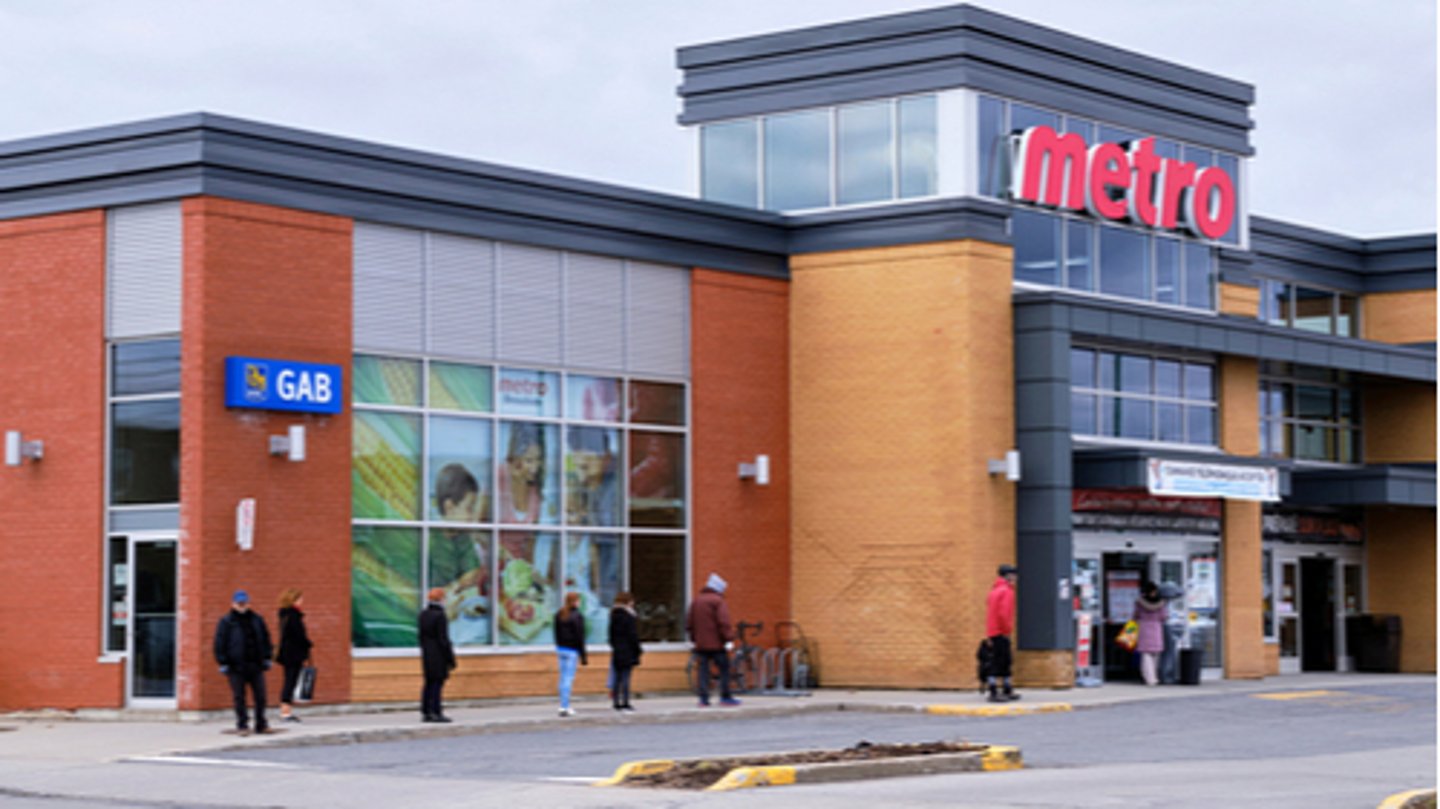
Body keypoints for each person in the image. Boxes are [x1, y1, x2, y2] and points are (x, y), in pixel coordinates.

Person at [213, 590, 275, 735]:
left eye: (244, 602)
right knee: (239, 697)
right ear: (233, 604)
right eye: (239, 603)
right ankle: (242, 724)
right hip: (236, 666)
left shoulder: (257, 619)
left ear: (248, 603)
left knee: (261, 696)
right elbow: (219, 643)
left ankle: (261, 723)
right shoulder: (226, 621)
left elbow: (266, 639)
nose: (242, 605)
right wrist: (223, 662)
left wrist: (267, 657)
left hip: (256, 664)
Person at [686, 572, 739, 707]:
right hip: (717, 644)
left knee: (703, 671)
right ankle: (725, 696)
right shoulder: (718, 602)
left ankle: (703, 698)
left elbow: (689, 623)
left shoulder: (696, 601)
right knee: (724, 669)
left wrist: (694, 639)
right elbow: (723, 623)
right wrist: (729, 639)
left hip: (701, 644)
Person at [274, 588, 313, 723]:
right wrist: (308, 644)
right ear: (293, 600)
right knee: (290, 681)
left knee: (289, 680)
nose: (302, 602)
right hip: (293, 654)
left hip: (287, 654)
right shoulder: (293, 616)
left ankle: (286, 709)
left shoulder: (284, 615)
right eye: (300, 599)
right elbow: (298, 636)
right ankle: (285, 712)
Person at [419, 587, 457, 723]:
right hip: (439, 655)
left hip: (427, 654)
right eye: (444, 598)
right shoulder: (440, 616)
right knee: (437, 684)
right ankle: (436, 711)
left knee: (428, 683)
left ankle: (426, 711)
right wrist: (450, 658)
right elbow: (443, 639)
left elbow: (421, 636)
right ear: (440, 599)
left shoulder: (423, 614)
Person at [984, 564, 1020, 703]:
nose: (1016, 577)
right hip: (1001, 631)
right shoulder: (1007, 591)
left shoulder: (994, 591)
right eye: (1014, 574)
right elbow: (1004, 614)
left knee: (998, 660)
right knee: (1003, 661)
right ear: (1008, 576)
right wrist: (1007, 631)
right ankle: (997, 691)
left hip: (993, 631)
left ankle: (1005, 688)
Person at [498, 423, 547, 524]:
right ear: (516, 458)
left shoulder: (537, 487)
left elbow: (533, 535)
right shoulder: (500, 476)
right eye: (529, 460)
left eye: (538, 460)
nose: (535, 468)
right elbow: (478, 527)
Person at [554, 591, 588, 717]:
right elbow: (580, 636)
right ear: (575, 602)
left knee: (562, 678)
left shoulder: (560, 614)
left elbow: (556, 633)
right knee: (568, 678)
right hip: (572, 650)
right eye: (578, 600)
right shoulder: (577, 616)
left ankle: (562, 704)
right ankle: (565, 706)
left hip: (561, 649)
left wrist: (558, 645)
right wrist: (583, 655)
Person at [608, 591, 642, 711]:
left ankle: (616, 701)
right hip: (628, 650)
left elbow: (610, 636)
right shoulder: (629, 617)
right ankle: (626, 701)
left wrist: (615, 646)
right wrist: (638, 649)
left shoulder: (613, 615)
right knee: (626, 677)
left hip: (617, 650)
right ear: (628, 602)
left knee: (617, 677)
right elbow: (633, 635)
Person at [1134, 580, 1167, 686]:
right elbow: (1164, 617)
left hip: (1144, 627)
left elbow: (1136, 616)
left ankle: (1149, 678)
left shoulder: (1139, 602)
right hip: (1156, 627)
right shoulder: (1161, 603)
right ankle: (1155, 677)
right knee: (1155, 653)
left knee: (1146, 654)